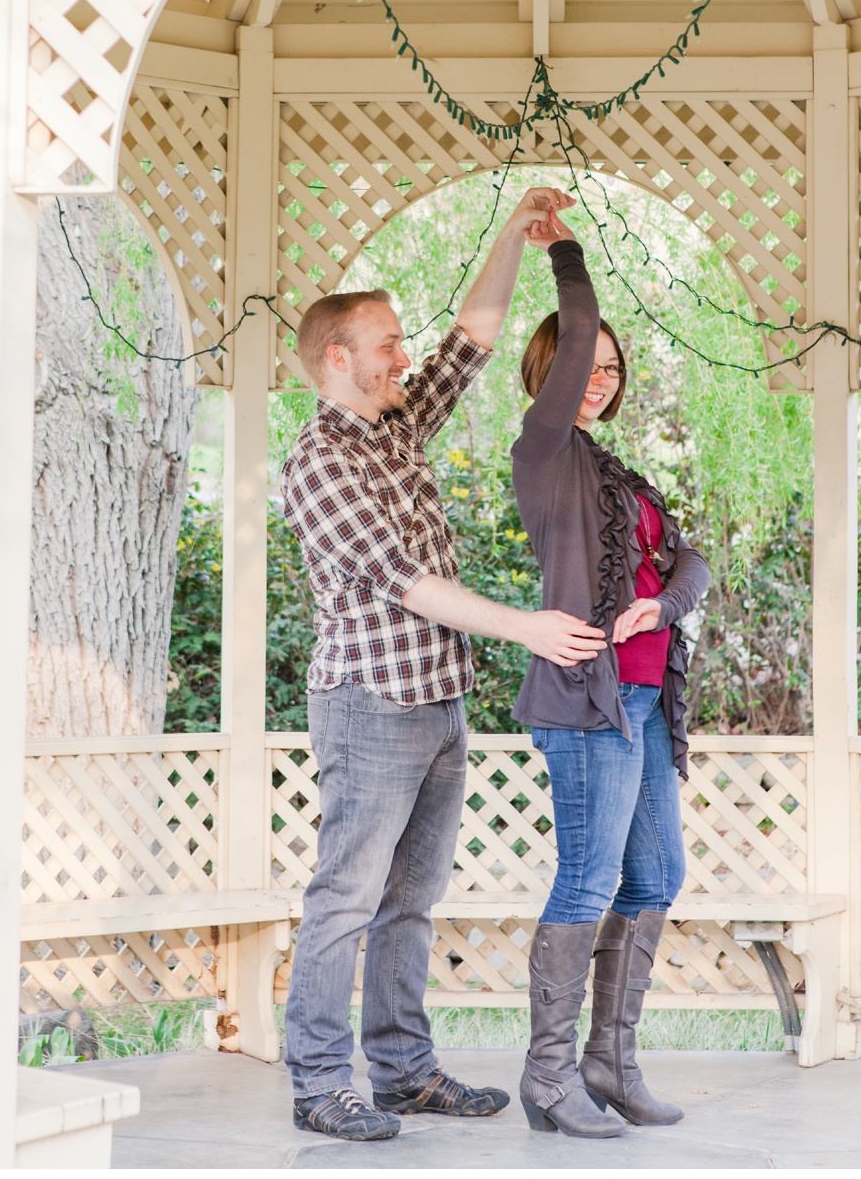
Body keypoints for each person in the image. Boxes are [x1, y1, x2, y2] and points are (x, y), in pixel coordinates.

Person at [279, 187, 609, 1142]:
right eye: (386, 345)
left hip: (437, 703)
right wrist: (529, 626)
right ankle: (317, 1082)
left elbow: (472, 337)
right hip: (371, 706)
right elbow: (406, 580)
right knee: (346, 896)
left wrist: (515, 234)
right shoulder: (318, 460)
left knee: (411, 901)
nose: (404, 356)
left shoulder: (395, 426)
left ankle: (404, 1072)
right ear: (337, 357)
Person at [510, 204, 711, 1137]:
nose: (601, 376)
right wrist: (563, 250)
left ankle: (609, 1061)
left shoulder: (619, 474)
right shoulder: (545, 451)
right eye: (587, 364)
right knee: (588, 882)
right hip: (588, 701)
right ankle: (547, 1078)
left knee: (655, 876)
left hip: (646, 700)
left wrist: (658, 605)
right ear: (554, 374)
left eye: (616, 370)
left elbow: (694, 565)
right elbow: (581, 320)